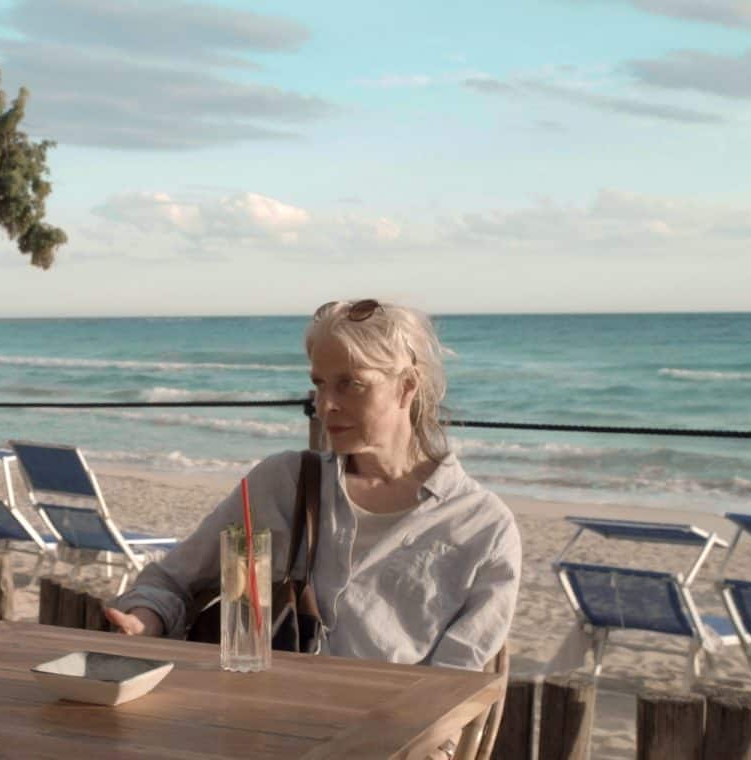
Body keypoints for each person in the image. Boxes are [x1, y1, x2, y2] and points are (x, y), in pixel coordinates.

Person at [107, 299, 521, 757]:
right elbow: (170, 581)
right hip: (246, 735)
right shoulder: (282, 483)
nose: (326, 405)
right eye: (319, 384)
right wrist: (144, 619)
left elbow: (448, 702)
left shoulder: (483, 529)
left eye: (351, 385)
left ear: (407, 386)